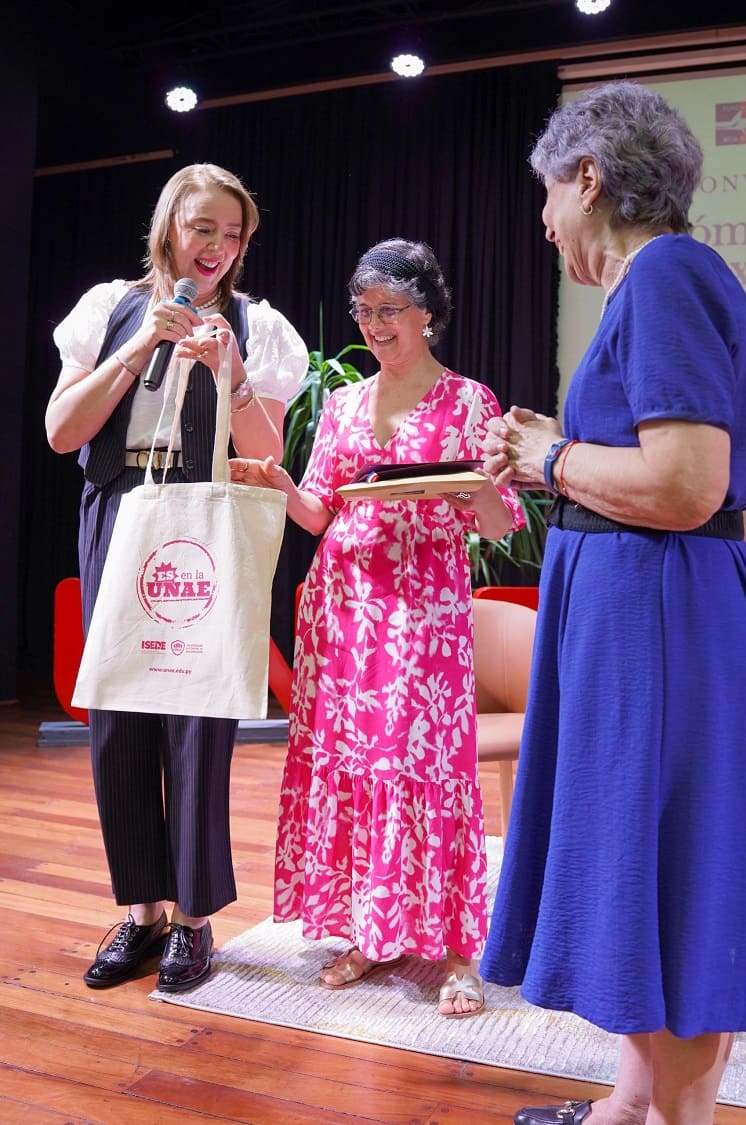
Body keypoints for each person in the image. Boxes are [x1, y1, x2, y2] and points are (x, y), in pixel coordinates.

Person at [479, 83, 746, 1125]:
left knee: (678, 871)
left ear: (590, 176)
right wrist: (550, 459)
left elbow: (685, 484)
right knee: (640, 859)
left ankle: (677, 1120)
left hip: (659, 619)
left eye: (549, 196)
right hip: (634, 614)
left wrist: (555, 457)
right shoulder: (649, 285)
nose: (543, 221)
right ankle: (629, 1104)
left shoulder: (665, 275)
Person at [230, 238, 523, 1017]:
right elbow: (321, 511)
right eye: (364, 311)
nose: (373, 325)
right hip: (343, 605)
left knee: (426, 769)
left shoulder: (469, 402)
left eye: (388, 310)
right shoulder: (343, 403)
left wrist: (471, 496)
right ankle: (374, 927)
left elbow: (499, 522)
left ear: (428, 311)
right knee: (355, 767)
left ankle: (459, 949)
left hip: (422, 610)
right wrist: (280, 482)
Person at [45, 163, 309, 993]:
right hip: (119, 513)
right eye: (205, 230)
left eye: (234, 236)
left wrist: (228, 374)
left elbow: (267, 455)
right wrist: (140, 347)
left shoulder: (257, 327)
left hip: (205, 518)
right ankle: (142, 912)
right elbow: (61, 432)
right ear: (169, 228)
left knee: (198, 716)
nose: (219, 249)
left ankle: (195, 920)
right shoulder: (107, 308)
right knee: (119, 715)